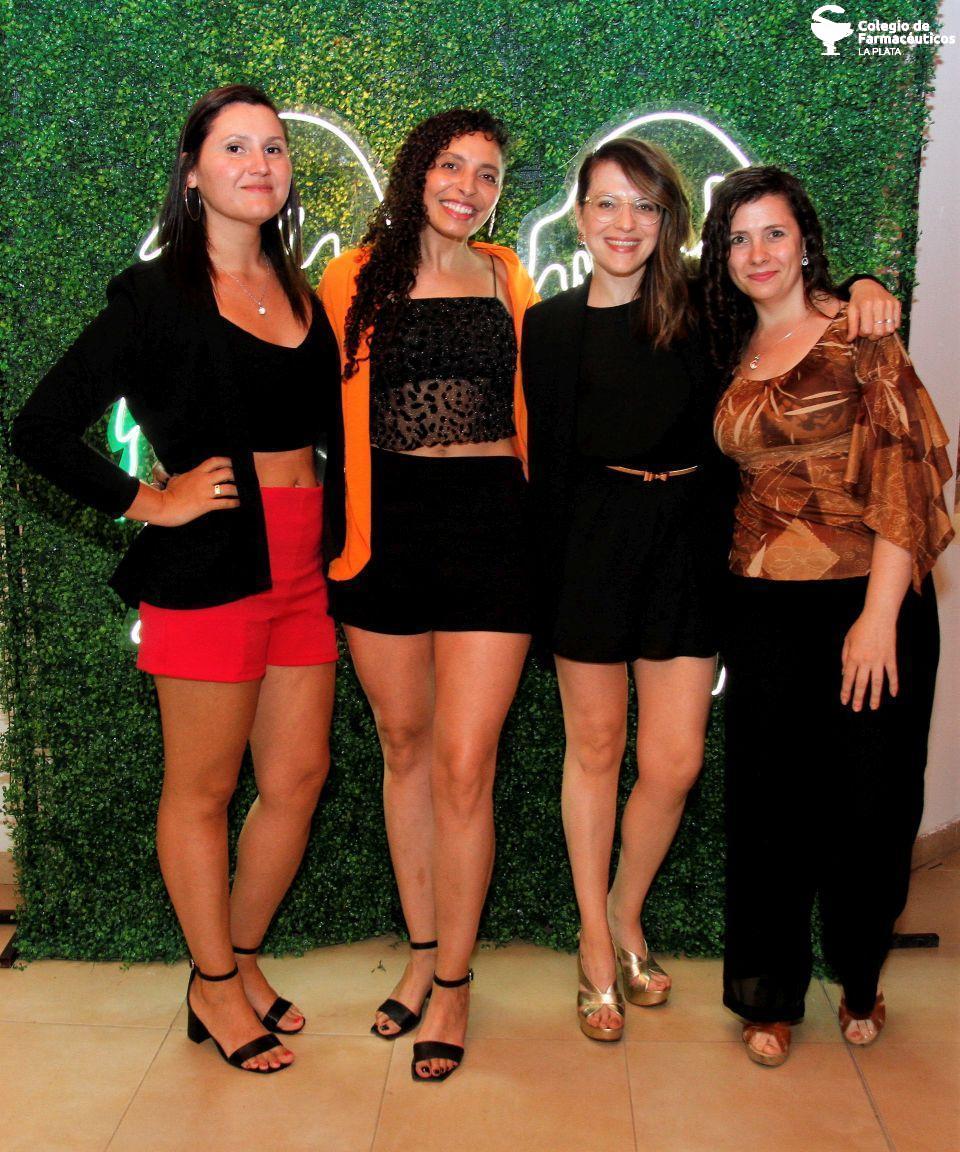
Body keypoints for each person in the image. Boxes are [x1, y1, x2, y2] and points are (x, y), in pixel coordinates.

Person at [522, 138, 904, 1043]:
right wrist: (546, 589)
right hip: (590, 548)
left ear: (669, 222)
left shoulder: (707, 310)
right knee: (594, 750)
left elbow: (794, 299)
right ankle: (593, 944)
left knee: (675, 762)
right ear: (579, 215)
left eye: (645, 206)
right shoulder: (549, 325)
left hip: (691, 548)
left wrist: (864, 283)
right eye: (607, 203)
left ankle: (624, 912)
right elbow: (547, 470)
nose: (624, 223)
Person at [13, 85, 341, 1074]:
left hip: (303, 562)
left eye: (274, 148)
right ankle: (212, 980)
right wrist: (151, 503)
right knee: (203, 789)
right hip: (211, 564)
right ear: (193, 172)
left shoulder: (300, 290)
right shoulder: (153, 297)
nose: (259, 164)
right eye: (234, 147)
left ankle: (234, 961)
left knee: (297, 778)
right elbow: (38, 428)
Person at [701, 165, 953, 1067]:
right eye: (739, 238)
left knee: (870, 806)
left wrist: (878, 617)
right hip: (762, 609)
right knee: (769, 806)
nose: (758, 253)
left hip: (868, 602)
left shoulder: (861, 333)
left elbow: (908, 474)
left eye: (774, 232)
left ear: (805, 240)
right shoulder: (728, 346)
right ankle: (768, 996)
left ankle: (859, 978)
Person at [319, 107, 538, 1083]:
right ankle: (420, 951)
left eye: (487, 174)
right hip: (386, 533)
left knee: (462, 762)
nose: (468, 186)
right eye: (452, 165)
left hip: (492, 528)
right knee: (404, 745)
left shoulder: (508, 277)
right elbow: (289, 385)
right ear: (417, 172)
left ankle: (453, 982)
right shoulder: (351, 279)